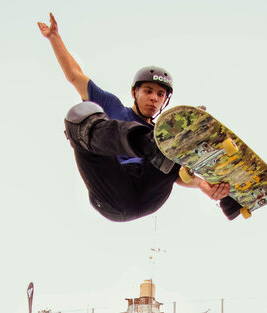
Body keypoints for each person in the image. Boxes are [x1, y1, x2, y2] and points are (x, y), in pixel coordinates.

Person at [38, 13, 243, 221]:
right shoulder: (112, 106)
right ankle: (143, 143)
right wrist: (54, 36)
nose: (154, 98)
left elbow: (177, 173)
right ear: (135, 92)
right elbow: (75, 75)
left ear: (165, 101)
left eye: (160, 95)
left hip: (150, 193)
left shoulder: (165, 134)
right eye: (148, 91)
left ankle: (234, 198)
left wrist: (203, 185)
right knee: (79, 115)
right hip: (112, 192)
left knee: (177, 136)